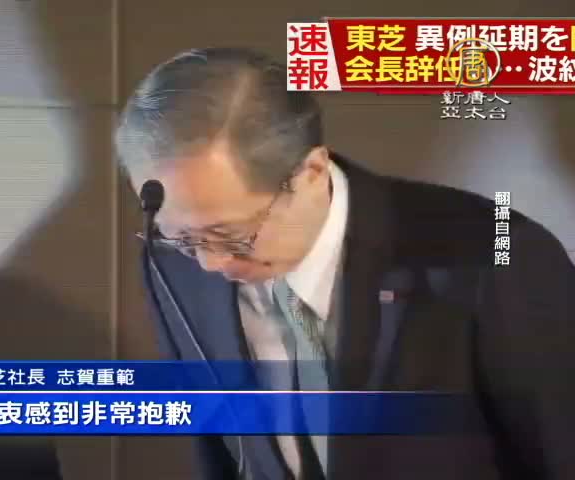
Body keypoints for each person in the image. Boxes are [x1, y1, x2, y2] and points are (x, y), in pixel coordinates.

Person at [114, 47, 575, 480]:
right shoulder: (171, 264)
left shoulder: (495, 255)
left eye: (232, 234)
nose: (209, 262)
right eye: (182, 236)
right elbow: (221, 454)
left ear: (311, 174)